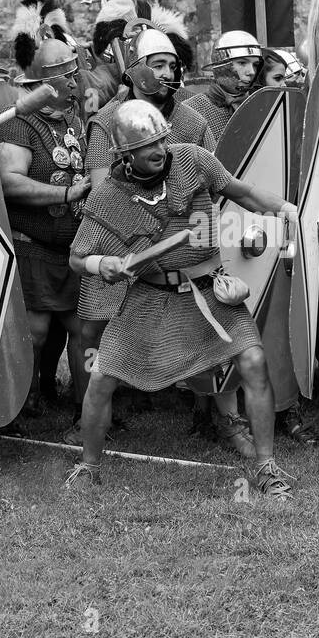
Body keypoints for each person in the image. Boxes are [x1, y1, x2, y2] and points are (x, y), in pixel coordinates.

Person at [64, 100, 297, 498]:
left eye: (161, 141)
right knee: (101, 378)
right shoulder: (108, 197)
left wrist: (285, 209)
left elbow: (242, 193)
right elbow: (76, 256)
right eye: (146, 147)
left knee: (254, 361)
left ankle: (266, 466)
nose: (158, 150)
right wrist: (101, 263)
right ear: (124, 154)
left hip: (209, 290)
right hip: (148, 298)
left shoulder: (192, 160)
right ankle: (88, 466)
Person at [77, 27, 214, 390]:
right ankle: (86, 406)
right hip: (120, 235)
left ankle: (206, 409)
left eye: (172, 65)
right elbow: (102, 186)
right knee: (94, 324)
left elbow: (209, 187)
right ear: (136, 68)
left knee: (197, 320)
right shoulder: (109, 119)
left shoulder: (191, 122)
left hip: (176, 240)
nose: (168, 73)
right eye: (158, 65)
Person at [0, 36, 92, 429]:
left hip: (74, 246)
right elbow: (8, 181)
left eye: (75, 72)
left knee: (81, 331)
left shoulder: (72, 116)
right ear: (48, 82)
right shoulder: (18, 122)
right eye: (69, 75)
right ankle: (20, 405)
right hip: (32, 244)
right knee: (33, 333)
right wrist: (66, 192)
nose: (77, 81)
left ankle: (87, 413)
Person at [182, 31, 264, 142]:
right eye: (242, 63)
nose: (251, 72)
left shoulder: (261, 106)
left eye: (255, 65)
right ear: (222, 67)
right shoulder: (191, 110)